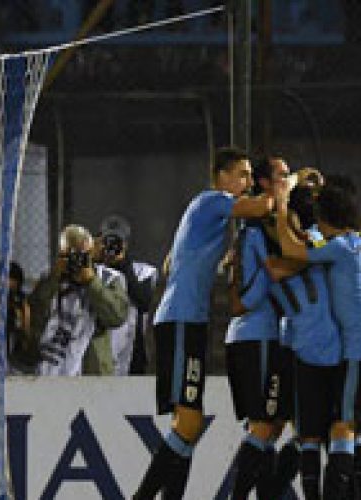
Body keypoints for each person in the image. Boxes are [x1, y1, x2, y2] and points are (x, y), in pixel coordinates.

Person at [133, 147, 282, 500]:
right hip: (182, 320)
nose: (247, 183)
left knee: (189, 425)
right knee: (188, 423)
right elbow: (262, 207)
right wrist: (286, 182)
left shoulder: (210, 217)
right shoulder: (211, 200)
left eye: (249, 176)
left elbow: (172, 262)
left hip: (189, 321)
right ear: (223, 176)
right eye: (242, 175)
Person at [277, 185, 361, 500]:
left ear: (325, 217)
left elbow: (293, 250)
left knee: (343, 425)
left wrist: (283, 209)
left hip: (360, 349)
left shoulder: (340, 247)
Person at [222, 156, 296, 499]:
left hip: (248, 335)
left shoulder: (252, 229)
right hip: (259, 335)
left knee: (272, 424)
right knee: (268, 425)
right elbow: (277, 272)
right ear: (266, 184)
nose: (288, 180)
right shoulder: (262, 228)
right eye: (282, 176)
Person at [265, 184, 344, 500]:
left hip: (319, 348)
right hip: (301, 348)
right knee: (306, 431)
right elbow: (277, 269)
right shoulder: (308, 243)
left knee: (317, 433)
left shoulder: (317, 240)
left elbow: (282, 266)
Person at [30, 224, 128, 376]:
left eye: (82, 256)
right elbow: (36, 312)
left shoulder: (109, 279)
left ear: (91, 253)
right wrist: (54, 278)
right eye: (70, 256)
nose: (76, 261)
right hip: (51, 367)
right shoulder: (51, 278)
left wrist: (91, 282)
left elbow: (117, 317)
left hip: (92, 368)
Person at [90, 217, 158, 375]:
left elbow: (143, 301)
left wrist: (123, 265)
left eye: (117, 241)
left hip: (132, 352)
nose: (111, 247)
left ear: (125, 244)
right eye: (107, 241)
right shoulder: (91, 271)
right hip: (98, 353)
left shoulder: (141, 271)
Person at [5, 261, 37, 375]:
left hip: (15, 338)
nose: (9, 283)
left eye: (12, 280)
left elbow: (26, 323)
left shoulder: (21, 300)